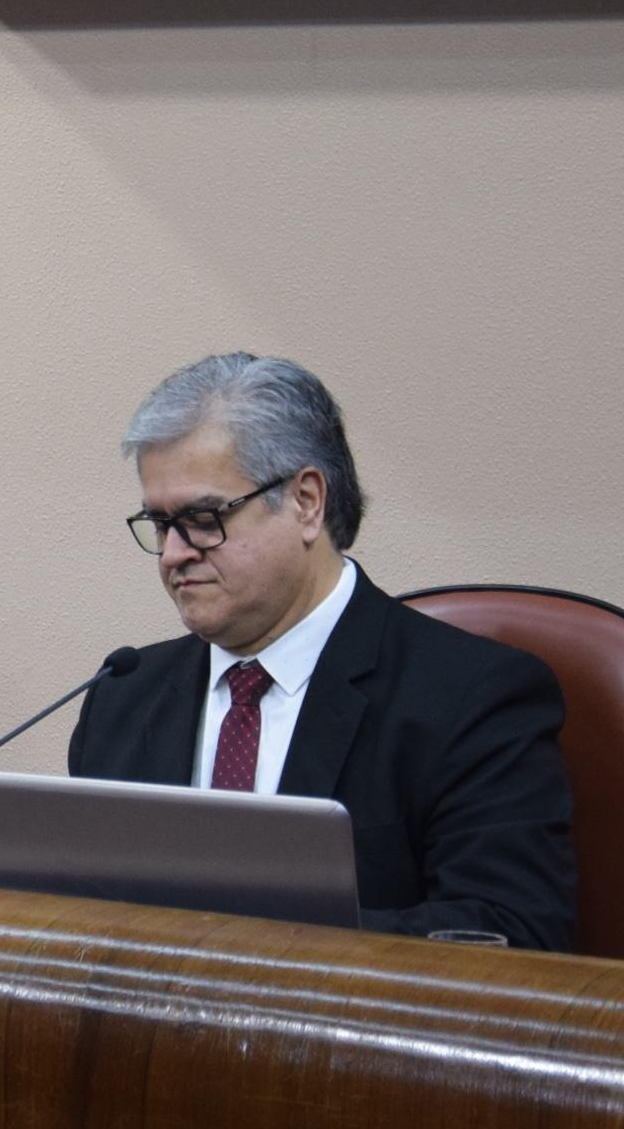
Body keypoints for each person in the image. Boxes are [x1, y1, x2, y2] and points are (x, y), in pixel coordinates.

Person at [69, 353, 578, 948]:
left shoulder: (472, 698)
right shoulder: (123, 698)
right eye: (160, 525)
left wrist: (248, 947)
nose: (176, 553)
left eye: (203, 519)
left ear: (307, 502)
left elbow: (510, 935)